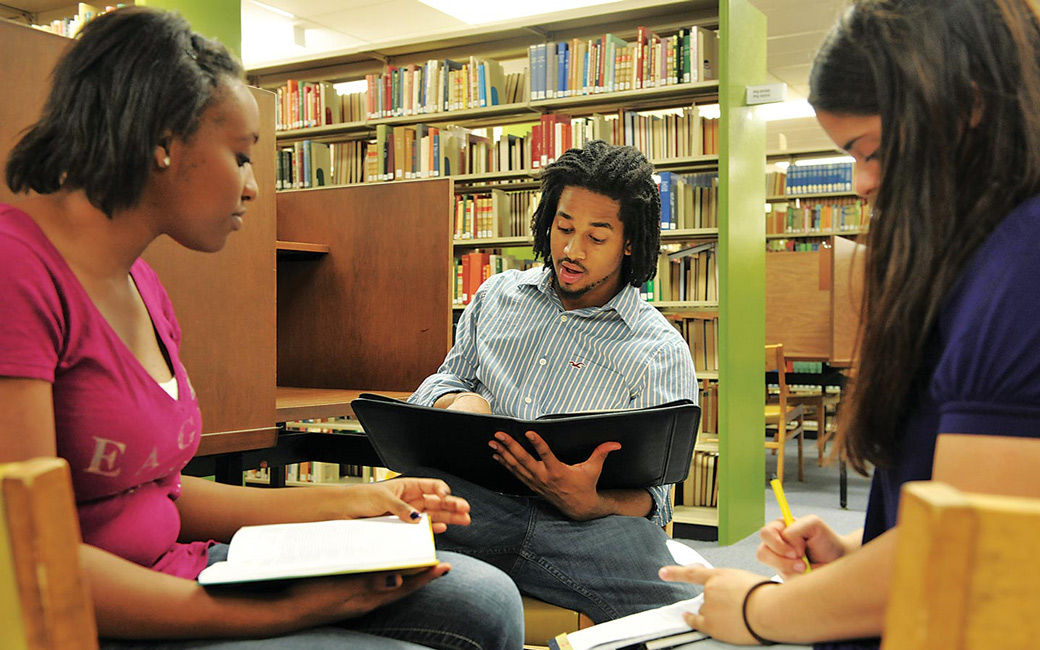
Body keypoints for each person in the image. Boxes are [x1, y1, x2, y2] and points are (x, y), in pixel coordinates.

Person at [0, 7, 523, 649]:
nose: (253, 188)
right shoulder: (17, 274)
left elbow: (161, 497)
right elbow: (29, 560)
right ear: (164, 141)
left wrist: (360, 502)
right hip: (104, 613)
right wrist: (291, 608)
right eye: (243, 157)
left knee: (487, 602)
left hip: (184, 568)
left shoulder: (145, 288)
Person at [658, 0, 1040, 646]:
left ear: (967, 105)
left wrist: (757, 611)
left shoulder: (1023, 270)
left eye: (873, 151)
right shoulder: (982, 254)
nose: (862, 183)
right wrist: (863, 547)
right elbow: (951, 497)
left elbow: (977, 559)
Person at [408, 140, 700, 622]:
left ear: (629, 243)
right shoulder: (497, 296)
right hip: (472, 503)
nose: (571, 250)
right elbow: (443, 378)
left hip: (585, 529)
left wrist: (593, 501)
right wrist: (454, 401)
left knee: (685, 614)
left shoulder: (660, 350)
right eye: (564, 227)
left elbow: (657, 500)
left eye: (596, 237)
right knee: (355, 543)